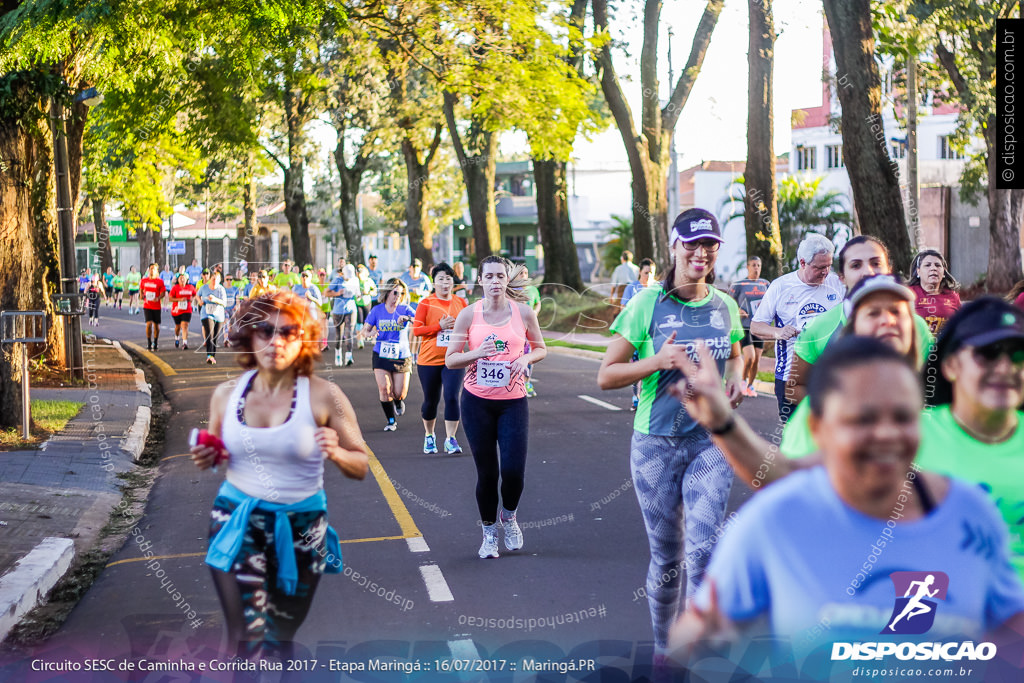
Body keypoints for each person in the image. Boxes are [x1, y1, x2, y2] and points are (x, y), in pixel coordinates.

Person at [666, 337, 1024, 661]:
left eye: (903, 416)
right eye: (862, 419)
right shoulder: (772, 523)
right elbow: (690, 647)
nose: (886, 434)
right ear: (818, 428)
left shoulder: (969, 512)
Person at [189, 290, 369, 659]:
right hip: (237, 519)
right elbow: (213, 454)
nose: (276, 341)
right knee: (245, 634)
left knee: (280, 633)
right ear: (248, 337)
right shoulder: (226, 394)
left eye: (288, 332)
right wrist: (206, 455)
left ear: (303, 340)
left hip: (304, 525)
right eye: (264, 330)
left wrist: (335, 452)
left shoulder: (324, 396)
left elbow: (361, 465)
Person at [596, 208, 743, 656]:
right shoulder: (646, 303)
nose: (701, 253)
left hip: (710, 441)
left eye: (710, 246)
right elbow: (607, 375)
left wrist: (736, 377)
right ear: (675, 248)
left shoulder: (725, 304)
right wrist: (657, 361)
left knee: (704, 553)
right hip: (655, 445)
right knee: (667, 560)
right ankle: (664, 650)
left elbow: (735, 353)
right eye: (692, 245)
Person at [446, 256, 546, 558]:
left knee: (514, 472)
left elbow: (541, 348)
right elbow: (451, 359)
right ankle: (489, 532)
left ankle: (510, 516)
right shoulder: (467, 315)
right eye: (488, 276)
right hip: (477, 402)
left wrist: (524, 359)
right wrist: (477, 353)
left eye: (500, 276)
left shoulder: (524, 313)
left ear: (506, 279)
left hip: (513, 402)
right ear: (480, 280)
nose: (494, 281)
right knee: (488, 474)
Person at [785, 236, 934, 406]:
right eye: (856, 265)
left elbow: (933, 389)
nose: (868, 272)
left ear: (889, 269)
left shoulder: (917, 327)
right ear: (841, 277)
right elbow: (793, 388)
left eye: (876, 263)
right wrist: (839, 409)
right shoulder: (817, 328)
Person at [749, 233, 843, 422]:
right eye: (820, 267)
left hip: (830, 375)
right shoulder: (781, 287)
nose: (826, 272)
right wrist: (778, 332)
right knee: (796, 440)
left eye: (829, 265)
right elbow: (755, 326)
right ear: (803, 263)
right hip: (791, 377)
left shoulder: (836, 283)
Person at [413, 263, 468, 454]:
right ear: (434, 282)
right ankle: (430, 436)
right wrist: (439, 326)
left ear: (453, 282)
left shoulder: (461, 303)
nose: (445, 283)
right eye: (441, 279)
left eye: (448, 279)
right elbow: (417, 330)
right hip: (429, 360)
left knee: (452, 397)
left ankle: (451, 439)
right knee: (431, 400)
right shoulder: (426, 303)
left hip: (454, 359)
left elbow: (470, 327)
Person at [361, 279, 416, 431]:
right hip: (381, 354)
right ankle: (391, 421)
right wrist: (370, 332)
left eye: (402, 293)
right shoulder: (377, 310)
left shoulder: (405, 309)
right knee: (384, 389)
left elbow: (420, 321)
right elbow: (364, 331)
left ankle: (398, 401)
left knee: (399, 392)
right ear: (387, 293)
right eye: (395, 292)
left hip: (402, 356)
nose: (398, 296)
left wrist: (408, 318)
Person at [729, 256, 769, 398]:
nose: (756, 268)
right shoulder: (739, 284)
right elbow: (728, 304)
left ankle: (751, 385)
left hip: (759, 327)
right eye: (753, 265)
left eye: (758, 265)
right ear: (747, 267)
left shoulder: (765, 284)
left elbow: (771, 303)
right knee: (750, 357)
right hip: (744, 327)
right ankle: (743, 381)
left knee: (757, 359)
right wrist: (737, 311)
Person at [908, 249, 962, 335]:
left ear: (943, 271)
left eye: (937, 265)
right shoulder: (908, 294)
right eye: (927, 265)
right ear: (918, 271)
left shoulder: (953, 296)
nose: (933, 268)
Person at [326, 264, 360, 367]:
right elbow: (326, 293)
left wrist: (358, 296)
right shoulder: (337, 280)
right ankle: (338, 354)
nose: (349, 278)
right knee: (339, 335)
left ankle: (349, 356)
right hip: (338, 311)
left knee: (349, 333)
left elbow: (358, 293)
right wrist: (337, 293)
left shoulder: (355, 280)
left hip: (351, 310)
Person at [199, 270, 228, 364]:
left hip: (219, 315)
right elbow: (197, 295)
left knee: (215, 336)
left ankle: (212, 356)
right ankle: (209, 355)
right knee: (209, 334)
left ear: (219, 280)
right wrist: (199, 301)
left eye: (216, 279)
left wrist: (215, 300)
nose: (214, 280)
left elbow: (224, 303)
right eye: (213, 278)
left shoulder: (221, 289)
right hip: (206, 313)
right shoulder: (204, 288)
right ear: (210, 279)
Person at [140, 263, 167, 350]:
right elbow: (141, 288)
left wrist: (158, 297)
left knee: (156, 326)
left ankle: (155, 342)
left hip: (156, 306)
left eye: (153, 269)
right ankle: (148, 342)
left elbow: (163, 293)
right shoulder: (144, 280)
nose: (152, 270)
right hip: (147, 305)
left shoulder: (160, 281)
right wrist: (141, 295)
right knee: (148, 324)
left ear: (156, 271)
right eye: (150, 268)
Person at [170, 272, 197, 350]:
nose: (182, 279)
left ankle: (185, 343)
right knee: (178, 327)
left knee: (185, 325)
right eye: (180, 278)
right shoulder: (175, 288)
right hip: (177, 310)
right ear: (178, 280)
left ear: (187, 279)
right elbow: (170, 298)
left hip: (187, 310)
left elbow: (195, 294)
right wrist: (179, 299)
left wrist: (193, 298)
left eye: (183, 278)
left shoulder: (191, 287)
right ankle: (177, 337)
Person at [355, 264, 377, 349]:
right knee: (359, 321)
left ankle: (373, 337)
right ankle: (360, 340)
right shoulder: (355, 281)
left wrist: (367, 292)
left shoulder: (369, 280)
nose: (359, 274)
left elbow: (374, 291)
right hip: (358, 303)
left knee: (369, 321)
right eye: (358, 272)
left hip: (367, 303)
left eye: (361, 272)